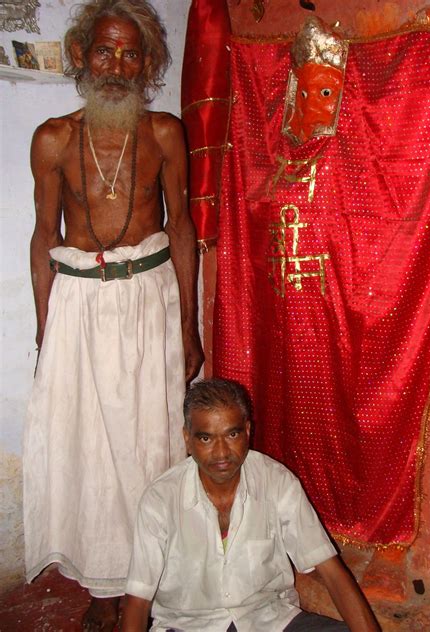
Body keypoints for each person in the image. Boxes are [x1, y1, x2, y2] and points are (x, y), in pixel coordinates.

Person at [23, 1, 203, 630]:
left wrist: (189, 326)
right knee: (91, 449)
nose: (117, 65)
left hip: (148, 304)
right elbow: (44, 234)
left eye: (131, 53)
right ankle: (103, 587)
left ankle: (151, 581)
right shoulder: (52, 138)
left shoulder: (163, 133)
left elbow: (180, 227)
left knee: (152, 442)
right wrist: (47, 330)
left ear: (148, 62)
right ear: (80, 55)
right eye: (105, 50)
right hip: (79, 309)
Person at [122, 378, 381, 632]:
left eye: (231, 434)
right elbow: (138, 600)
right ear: (187, 439)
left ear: (247, 431)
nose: (221, 452)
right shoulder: (160, 500)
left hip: (268, 620)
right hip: (188, 625)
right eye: (205, 439)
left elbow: (332, 573)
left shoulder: (277, 482)